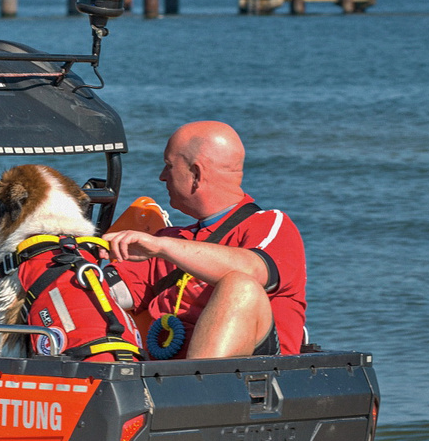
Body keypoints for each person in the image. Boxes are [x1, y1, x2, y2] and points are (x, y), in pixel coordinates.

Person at [105, 121, 306, 359]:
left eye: (169, 166)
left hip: (254, 375)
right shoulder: (169, 240)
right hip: (165, 377)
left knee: (240, 286)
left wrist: (163, 247)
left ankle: (196, 386)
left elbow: (254, 271)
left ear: (196, 174)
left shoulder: (269, 223)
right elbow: (112, 292)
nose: (161, 177)